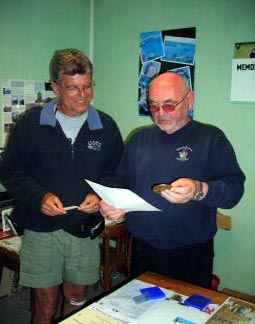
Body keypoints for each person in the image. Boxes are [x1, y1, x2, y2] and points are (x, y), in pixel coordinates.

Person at [0, 48, 123, 323]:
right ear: (55, 87)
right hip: (42, 229)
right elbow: (10, 171)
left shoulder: (106, 126)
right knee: (45, 306)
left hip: (84, 227)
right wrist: (39, 196)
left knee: (77, 299)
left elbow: (116, 173)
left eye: (88, 86)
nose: (82, 95)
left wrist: (98, 194)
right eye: (72, 88)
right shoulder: (30, 125)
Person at [99, 72, 245, 290]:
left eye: (168, 105)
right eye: (154, 106)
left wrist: (200, 189)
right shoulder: (139, 138)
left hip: (191, 253)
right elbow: (119, 179)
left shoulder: (211, 138)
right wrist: (109, 201)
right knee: (143, 312)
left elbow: (234, 190)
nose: (159, 113)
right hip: (142, 249)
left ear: (190, 100)